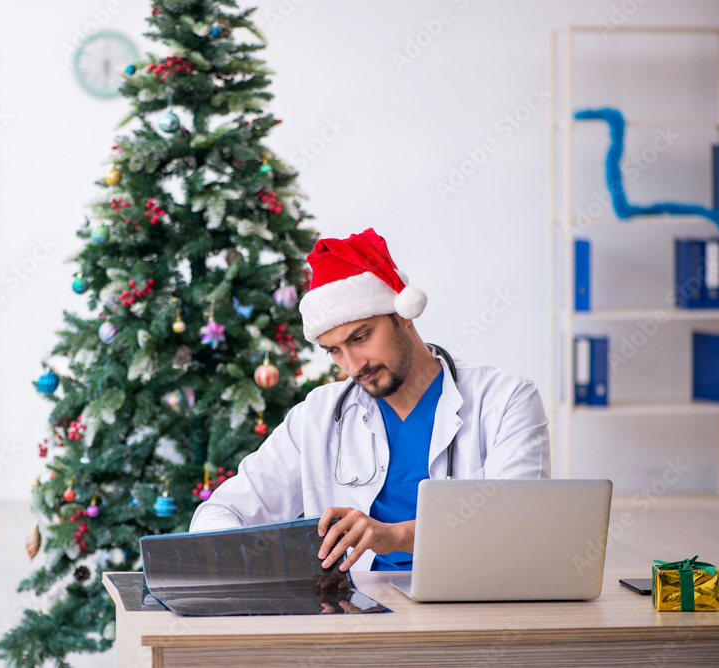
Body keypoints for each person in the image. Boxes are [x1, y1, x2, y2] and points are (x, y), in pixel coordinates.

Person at [189, 228, 550, 572]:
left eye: (361, 337)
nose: (353, 365)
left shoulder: (505, 400)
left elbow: (516, 526)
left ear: (402, 315)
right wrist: (235, 558)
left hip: (471, 609)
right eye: (334, 351)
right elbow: (223, 510)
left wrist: (395, 535)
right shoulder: (318, 416)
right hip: (356, 616)